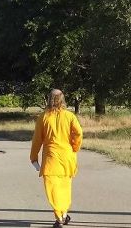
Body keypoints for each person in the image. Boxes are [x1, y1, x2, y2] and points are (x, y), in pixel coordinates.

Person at [30, 89, 83, 228]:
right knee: (65, 188)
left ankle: (59, 217)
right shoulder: (70, 116)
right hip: (67, 157)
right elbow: (78, 133)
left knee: (53, 189)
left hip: (51, 159)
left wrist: (34, 158)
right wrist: (75, 147)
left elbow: (37, 140)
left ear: (49, 99)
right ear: (63, 99)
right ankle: (64, 214)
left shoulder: (44, 117)